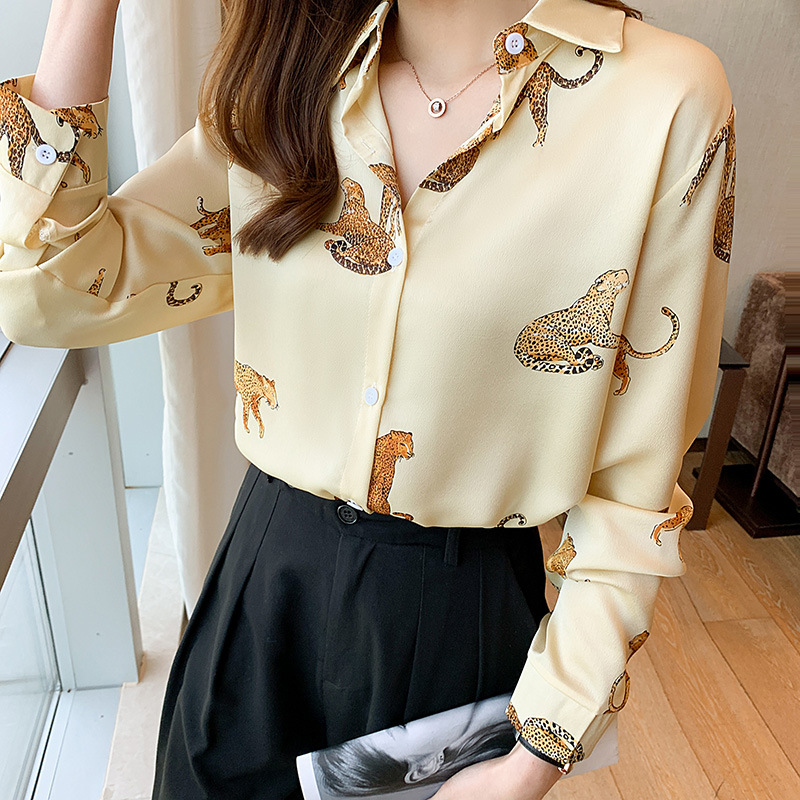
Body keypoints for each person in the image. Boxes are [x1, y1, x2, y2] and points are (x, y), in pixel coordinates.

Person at [0, 0, 736, 798]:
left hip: (460, 613)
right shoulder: (289, 80)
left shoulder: (663, 100)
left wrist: (534, 759)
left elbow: (634, 495)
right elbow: (50, 285)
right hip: (261, 588)